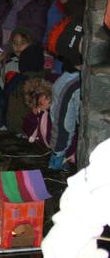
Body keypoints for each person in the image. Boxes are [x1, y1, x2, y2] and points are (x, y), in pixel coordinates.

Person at [48, 22, 83, 170]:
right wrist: (59, 151)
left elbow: (63, 122)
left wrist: (58, 151)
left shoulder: (69, 85)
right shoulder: (69, 85)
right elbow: (63, 121)